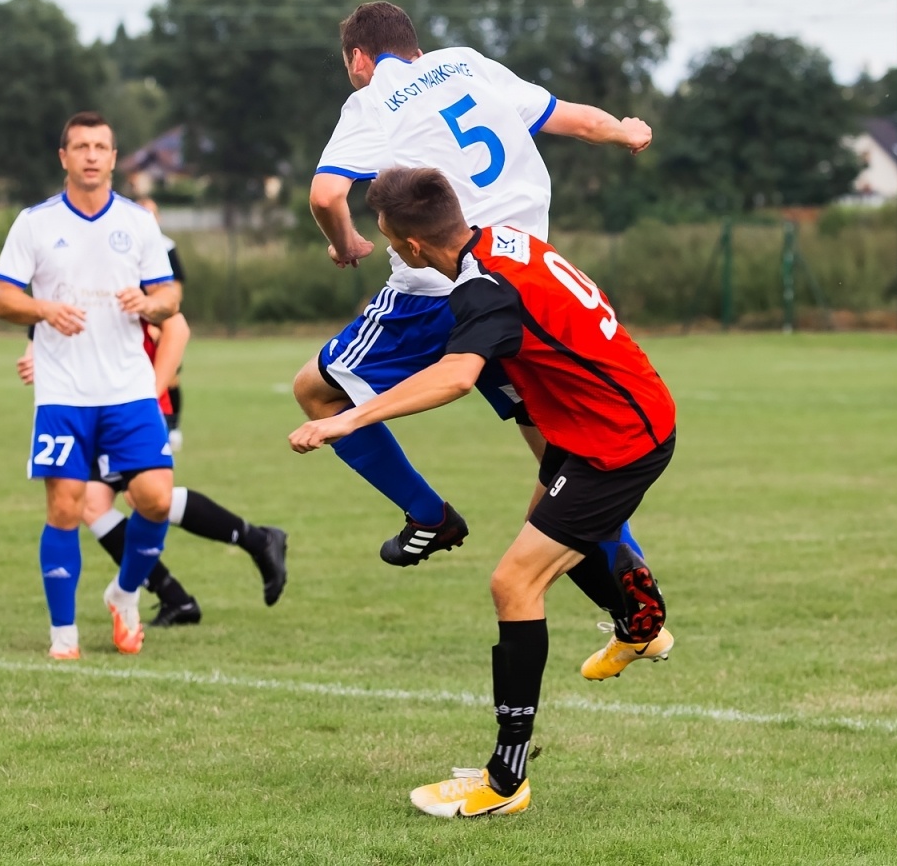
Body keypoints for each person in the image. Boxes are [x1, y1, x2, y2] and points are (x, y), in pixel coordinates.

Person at [289, 167, 677, 818]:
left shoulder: (483, 290)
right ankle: (641, 623)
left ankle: (506, 779)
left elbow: (455, 377)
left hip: (613, 444)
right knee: (548, 536)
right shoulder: (503, 241)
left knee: (514, 584)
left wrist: (346, 417)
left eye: (386, 237)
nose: (388, 248)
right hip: (610, 421)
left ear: (412, 246)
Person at [293, 1, 653, 567]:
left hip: (438, 291)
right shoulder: (466, 64)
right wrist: (624, 130)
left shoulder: (372, 99)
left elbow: (324, 195)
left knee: (316, 391)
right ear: (415, 46)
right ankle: (638, 602)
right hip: (526, 283)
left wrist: (345, 243)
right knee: (562, 461)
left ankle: (427, 515)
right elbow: (578, 121)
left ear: (359, 58)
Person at [0, 111, 181, 660]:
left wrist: (151, 303)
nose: (92, 155)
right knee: (65, 509)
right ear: (64, 157)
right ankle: (63, 637)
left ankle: (124, 595)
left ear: (115, 158)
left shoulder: (139, 224)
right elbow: (1, 298)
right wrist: (42, 307)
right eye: (81, 146)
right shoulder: (35, 223)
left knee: (155, 497)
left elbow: (170, 298)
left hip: (128, 388)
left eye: (101, 146)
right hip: (63, 392)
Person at [16, 312, 289, 625]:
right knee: (98, 502)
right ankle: (177, 595)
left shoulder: (128, 269)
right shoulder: (60, 272)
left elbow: (173, 321)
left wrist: (150, 392)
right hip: (87, 402)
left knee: (147, 499)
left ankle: (253, 543)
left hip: (128, 403)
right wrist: (34, 357)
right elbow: (43, 321)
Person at [134, 197, 187, 451]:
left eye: (151, 213)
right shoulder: (125, 246)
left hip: (159, 319)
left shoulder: (166, 247)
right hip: (136, 323)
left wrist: (157, 316)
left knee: (171, 376)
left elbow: (174, 291)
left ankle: (172, 426)